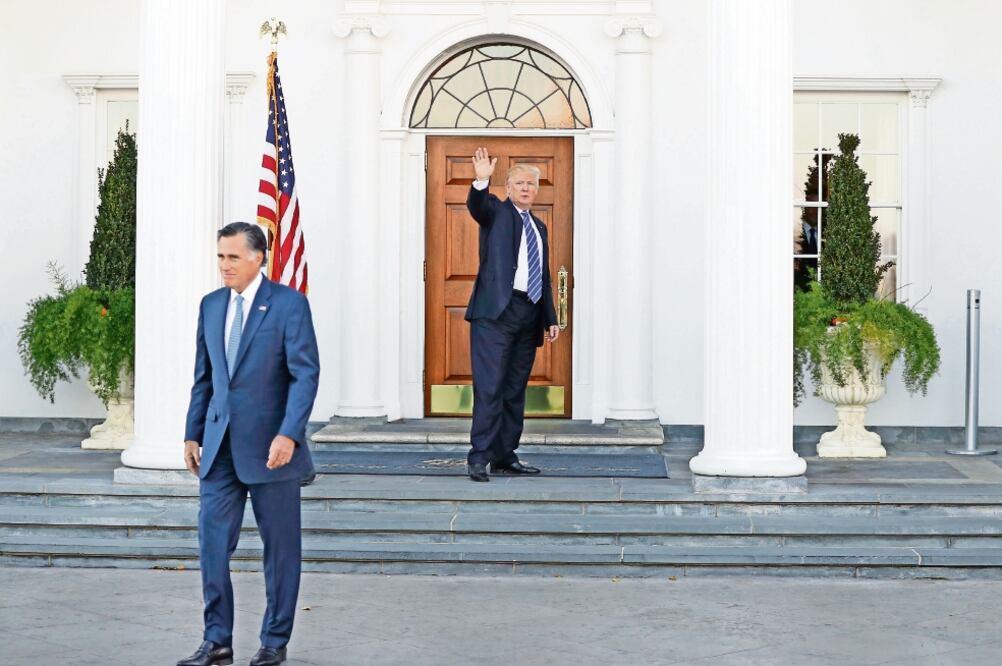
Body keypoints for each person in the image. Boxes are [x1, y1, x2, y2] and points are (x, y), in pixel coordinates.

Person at [178, 222, 320, 666]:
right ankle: (216, 640)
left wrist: (289, 433)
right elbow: (205, 376)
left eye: (233, 257)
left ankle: (274, 643)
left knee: (280, 553)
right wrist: (192, 431)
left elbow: (305, 375)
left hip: (273, 451)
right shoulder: (211, 305)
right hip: (217, 450)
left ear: (258, 257)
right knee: (212, 547)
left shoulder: (288, 305)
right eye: (220, 256)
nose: (224, 266)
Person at [464, 147, 560, 482]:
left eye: (531, 185)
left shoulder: (540, 228)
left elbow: (544, 275)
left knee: (514, 389)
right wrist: (481, 180)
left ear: (537, 190)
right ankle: (479, 457)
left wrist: (550, 317)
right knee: (490, 387)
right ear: (507, 189)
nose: (525, 189)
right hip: (494, 314)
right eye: (519, 183)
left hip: (528, 314)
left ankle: (505, 455)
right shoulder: (495, 212)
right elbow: (477, 206)